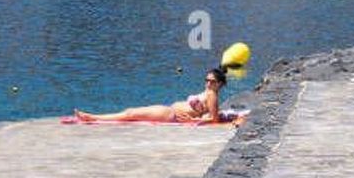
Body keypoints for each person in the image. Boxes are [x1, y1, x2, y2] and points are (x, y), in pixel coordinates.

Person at [67, 66, 234, 124]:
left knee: (130, 113)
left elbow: (214, 119)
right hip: (169, 112)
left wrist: (194, 120)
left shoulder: (212, 95)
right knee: (130, 113)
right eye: (206, 80)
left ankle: (92, 117)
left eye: (212, 81)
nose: (208, 83)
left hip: (171, 114)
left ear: (219, 84)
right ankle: (94, 117)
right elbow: (212, 115)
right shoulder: (209, 93)